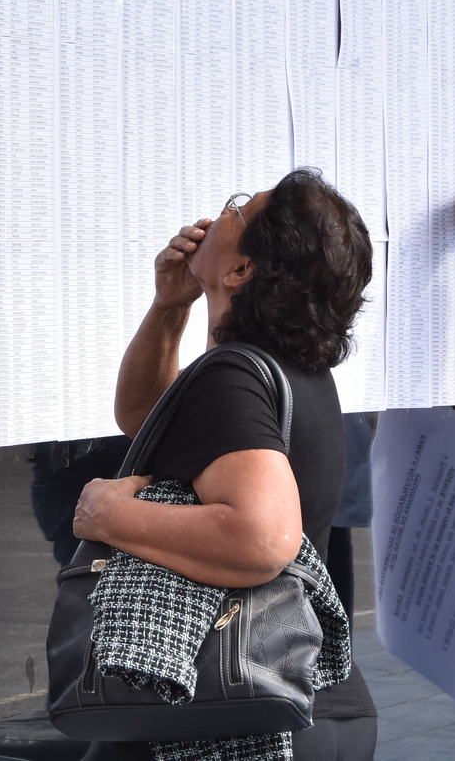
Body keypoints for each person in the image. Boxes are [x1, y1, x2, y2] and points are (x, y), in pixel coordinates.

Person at [72, 170, 379, 760]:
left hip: (238, 707)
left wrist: (108, 514)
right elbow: (147, 418)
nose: (217, 215)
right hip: (303, 698)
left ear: (241, 270)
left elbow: (261, 538)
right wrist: (170, 306)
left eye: (237, 209)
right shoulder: (283, 369)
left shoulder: (236, 376)